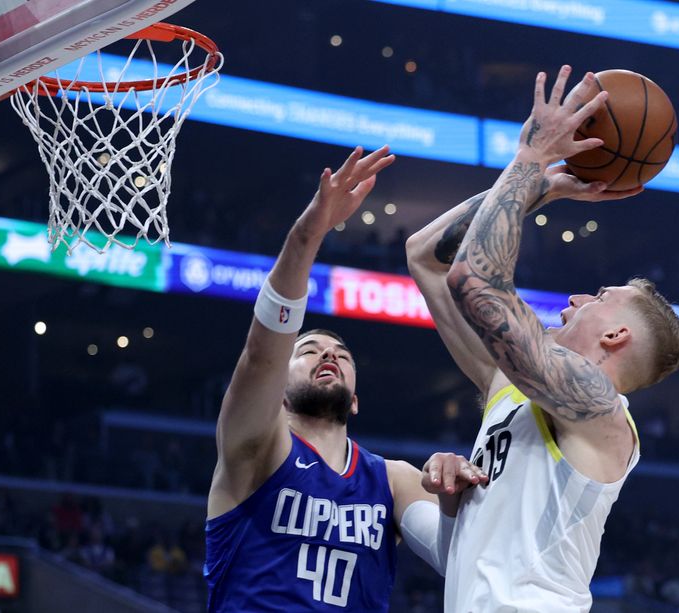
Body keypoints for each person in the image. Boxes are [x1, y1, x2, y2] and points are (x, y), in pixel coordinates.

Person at [407, 66, 679, 612]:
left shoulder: (600, 412)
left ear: (615, 334)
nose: (576, 299)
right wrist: (542, 187)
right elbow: (428, 256)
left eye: (598, 296)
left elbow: (475, 281)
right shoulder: (511, 387)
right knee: (390, 480)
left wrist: (530, 157)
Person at [204, 145, 487, 612]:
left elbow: (453, 556)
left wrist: (453, 496)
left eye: (341, 354)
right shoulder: (254, 446)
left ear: (355, 399)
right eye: (308, 350)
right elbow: (260, 355)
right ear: (278, 390)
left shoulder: (392, 479)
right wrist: (307, 235)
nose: (328, 355)